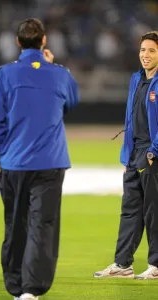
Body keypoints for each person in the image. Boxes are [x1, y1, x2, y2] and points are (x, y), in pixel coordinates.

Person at [0, 18, 79, 300]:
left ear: (17, 42)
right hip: (50, 163)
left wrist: (0, 153)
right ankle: (31, 290)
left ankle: (16, 285)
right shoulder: (60, 74)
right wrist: (51, 65)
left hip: (14, 164)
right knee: (43, 225)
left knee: (16, 225)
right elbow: (72, 101)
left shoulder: (4, 75)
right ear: (44, 41)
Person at [94, 31, 158, 279]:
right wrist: (126, 155)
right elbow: (130, 120)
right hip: (134, 155)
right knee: (130, 210)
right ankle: (123, 264)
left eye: (151, 50)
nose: (145, 55)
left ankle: (155, 265)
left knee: (154, 211)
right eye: (143, 50)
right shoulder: (136, 79)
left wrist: (153, 152)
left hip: (152, 153)